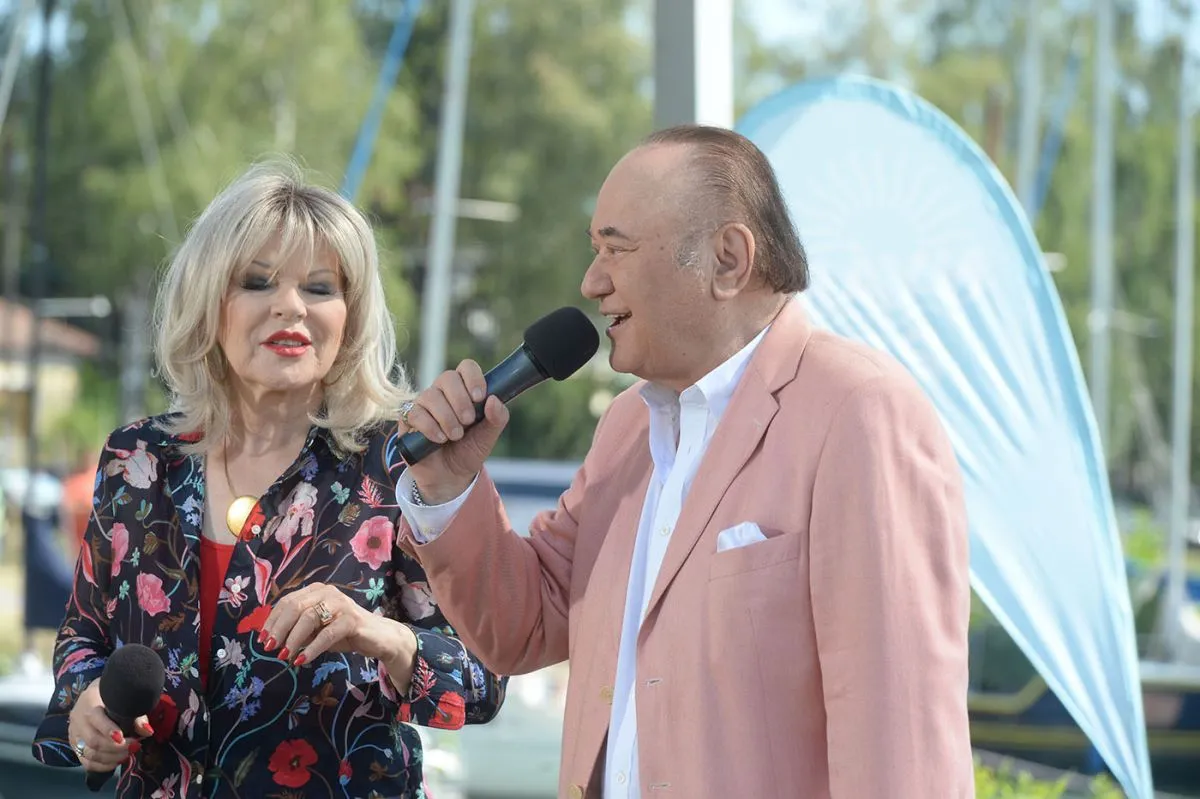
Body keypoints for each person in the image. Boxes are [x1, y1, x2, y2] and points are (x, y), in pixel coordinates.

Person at [394, 125, 974, 798]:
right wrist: (451, 485)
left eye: (617, 248)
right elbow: (525, 626)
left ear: (728, 259)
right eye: (594, 250)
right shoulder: (627, 426)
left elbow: (900, 745)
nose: (592, 281)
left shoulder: (860, 413)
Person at [31, 160, 506, 798]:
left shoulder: (403, 464)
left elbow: (482, 679)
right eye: (257, 282)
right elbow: (83, 639)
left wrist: (379, 635)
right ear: (209, 303)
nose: (290, 306)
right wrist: (87, 710)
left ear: (351, 315)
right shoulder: (136, 459)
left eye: (319, 288)